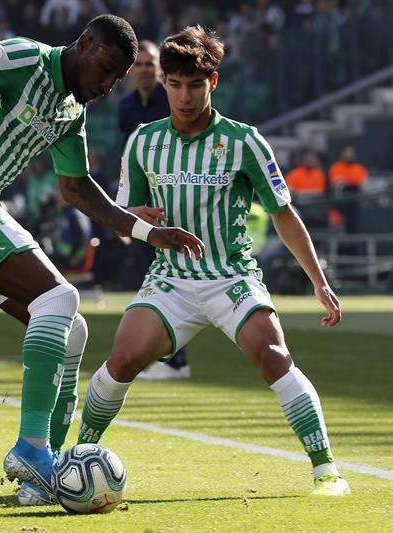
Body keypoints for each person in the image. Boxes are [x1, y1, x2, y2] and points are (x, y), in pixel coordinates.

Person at [0, 15, 204, 506]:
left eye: (116, 79)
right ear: (83, 44)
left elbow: (76, 189)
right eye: (105, 69)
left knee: (72, 327)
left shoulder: (71, 110)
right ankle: (31, 448)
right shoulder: (28, 58)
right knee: (58, 297)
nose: (106, 85)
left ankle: (48, 474)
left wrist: (148, 231)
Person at [76, 25, 349, 497]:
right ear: (163, 83)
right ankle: (74, 458)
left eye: (195, 85)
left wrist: (318, 282)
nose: (184, 96)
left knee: (273, 357)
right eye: (175, 84)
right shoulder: (142, 142)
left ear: (213, 82)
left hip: (230, 277)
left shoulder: (245, 142)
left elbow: (284, 215)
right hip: (171, 281)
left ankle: (327, 471)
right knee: (120, 360)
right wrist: (130, 221)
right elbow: (123, 219)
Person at [117, 39, 191, 380]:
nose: (145, 70)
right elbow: (128, 161)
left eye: (150, 64)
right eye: (139, 65)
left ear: (161, 71)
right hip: (145, 206)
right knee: (161, 278)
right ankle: (173, 358)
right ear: (130, 71)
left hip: (176, 196)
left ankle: (174, 360)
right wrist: (125, 211)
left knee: (171, 280)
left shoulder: (172, 102)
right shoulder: (126, 108)